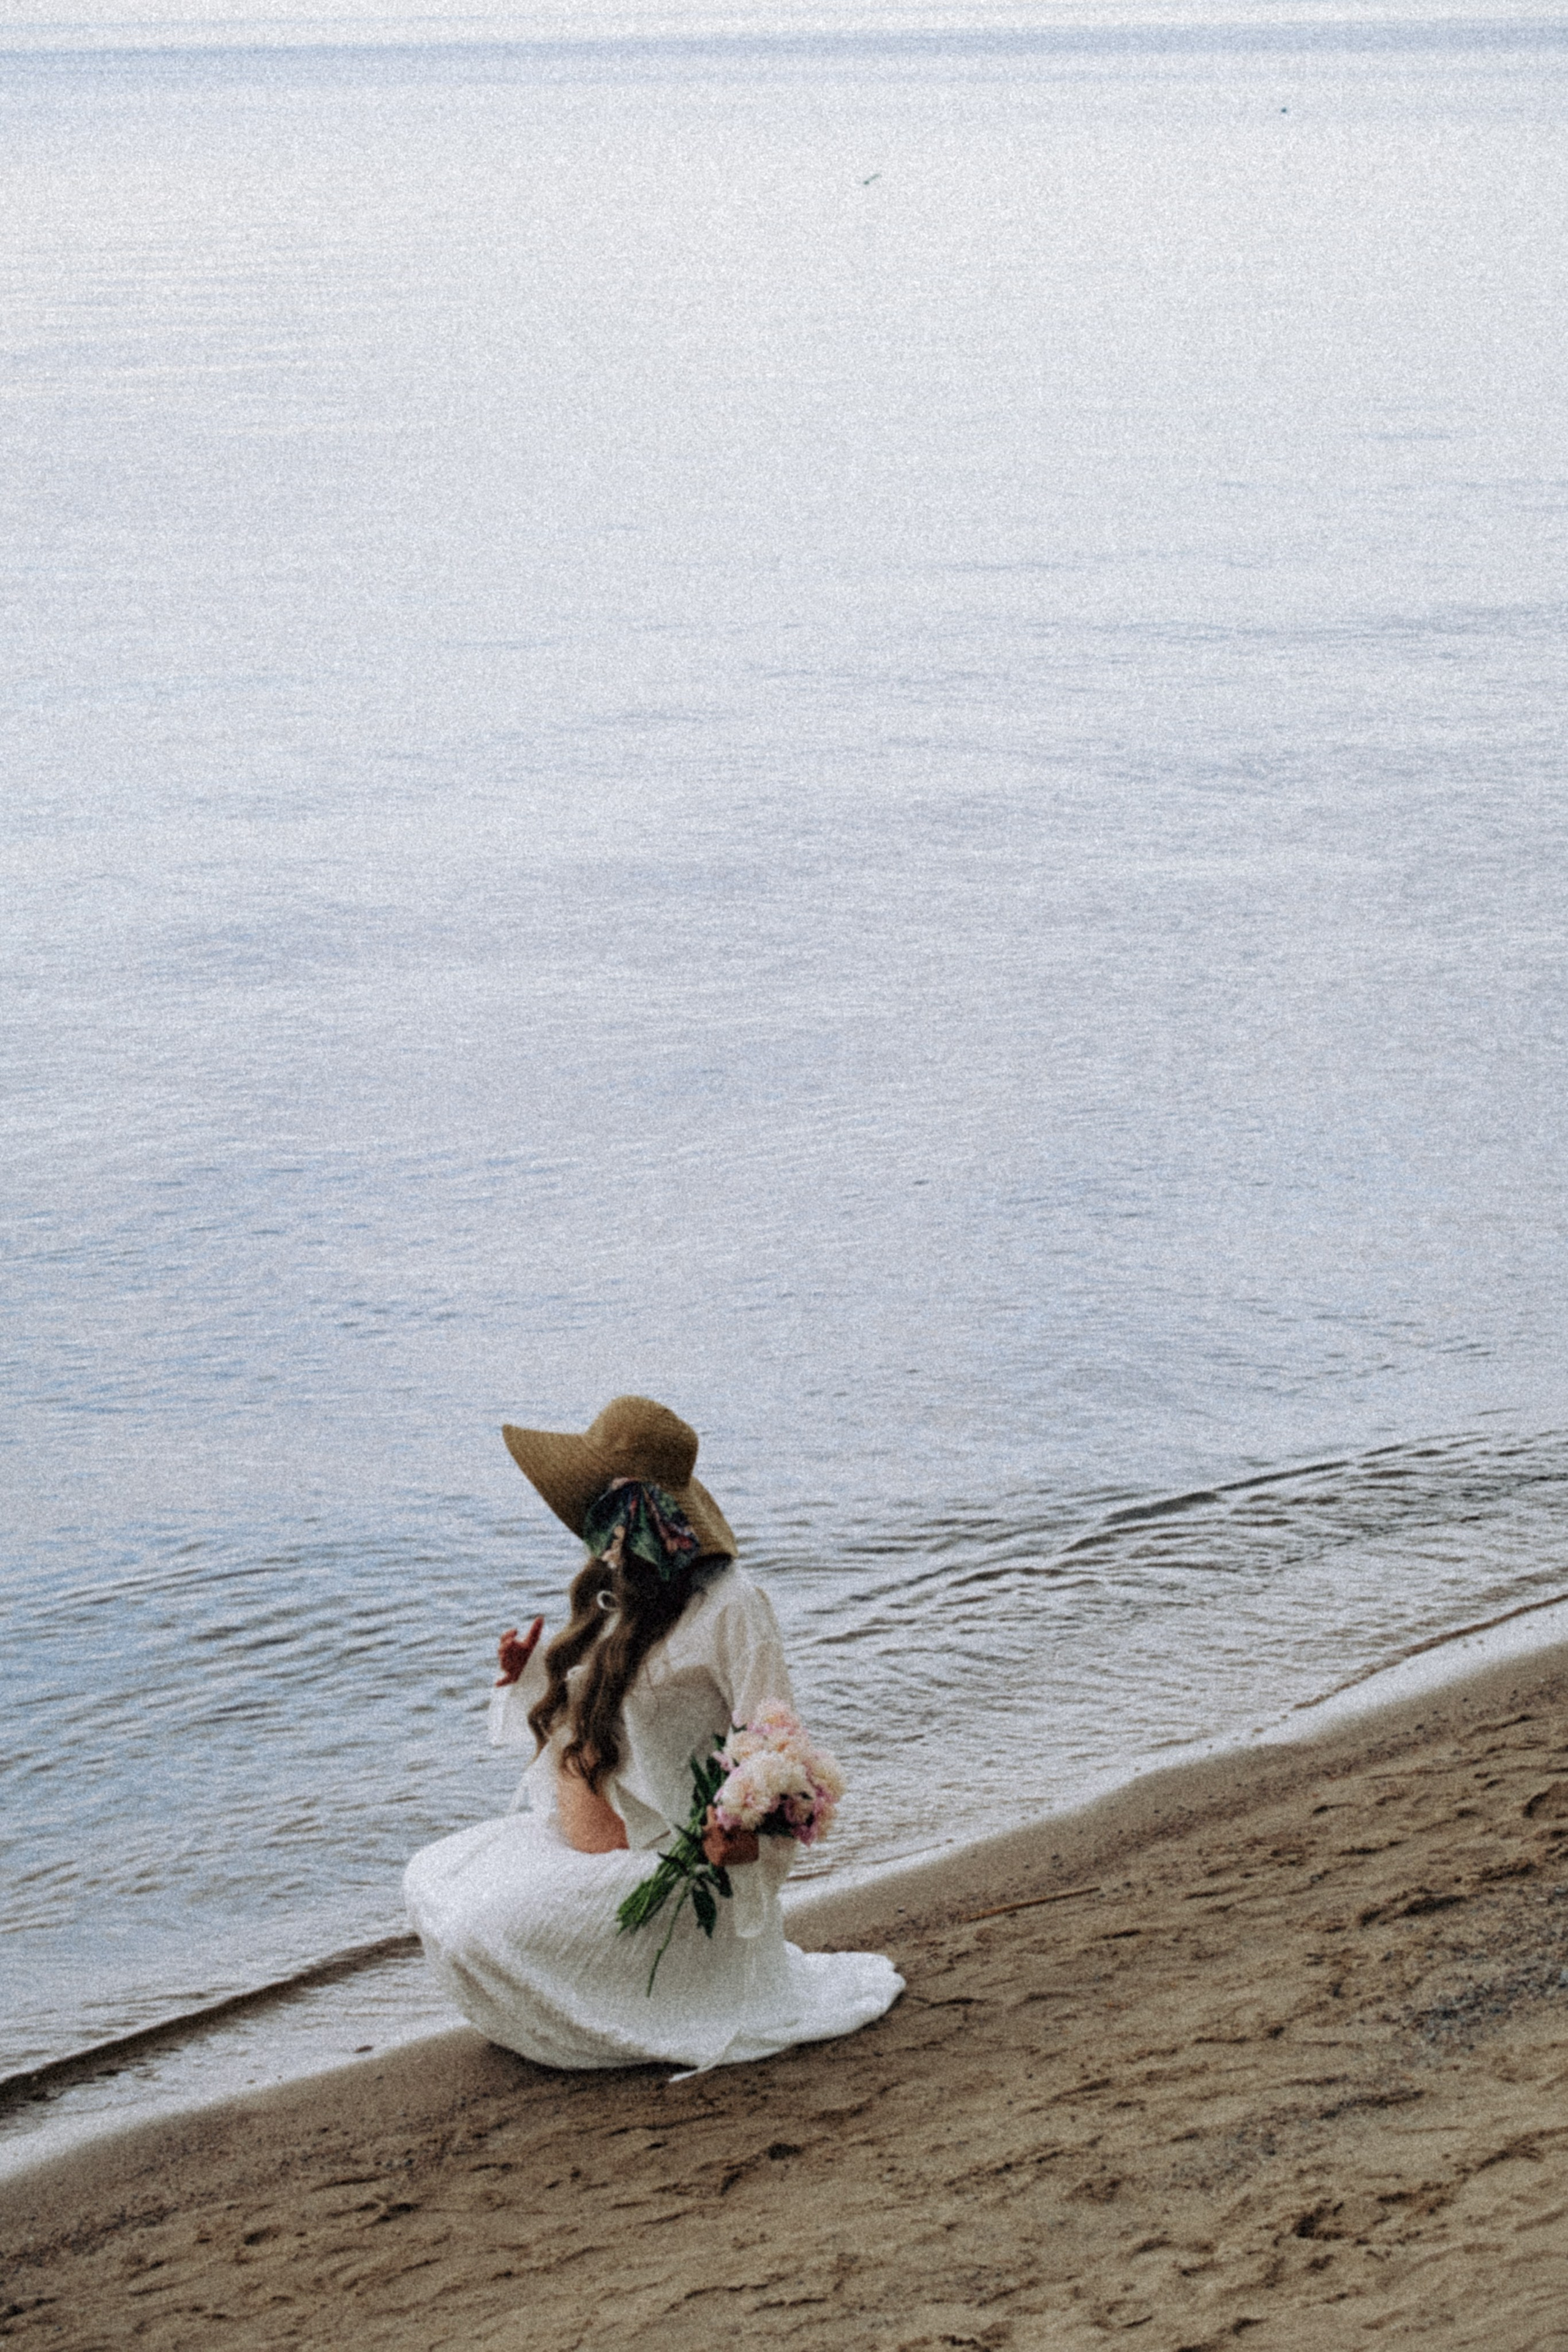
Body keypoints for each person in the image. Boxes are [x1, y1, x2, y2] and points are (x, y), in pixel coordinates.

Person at [403, 1395, 903, 2075]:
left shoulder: (732, 1605)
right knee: (432, 1881)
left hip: (677, 1864)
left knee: (474, 1931)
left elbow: (780, 1748)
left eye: (615, 1503)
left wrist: (747, 1843)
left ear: (654, 1508)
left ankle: (620, 2018)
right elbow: (591, 1717)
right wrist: (523, 1682)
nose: (601, 1525)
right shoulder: (621, 1596)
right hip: (605, 1835)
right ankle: (580, 2017)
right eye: (598, 1505)